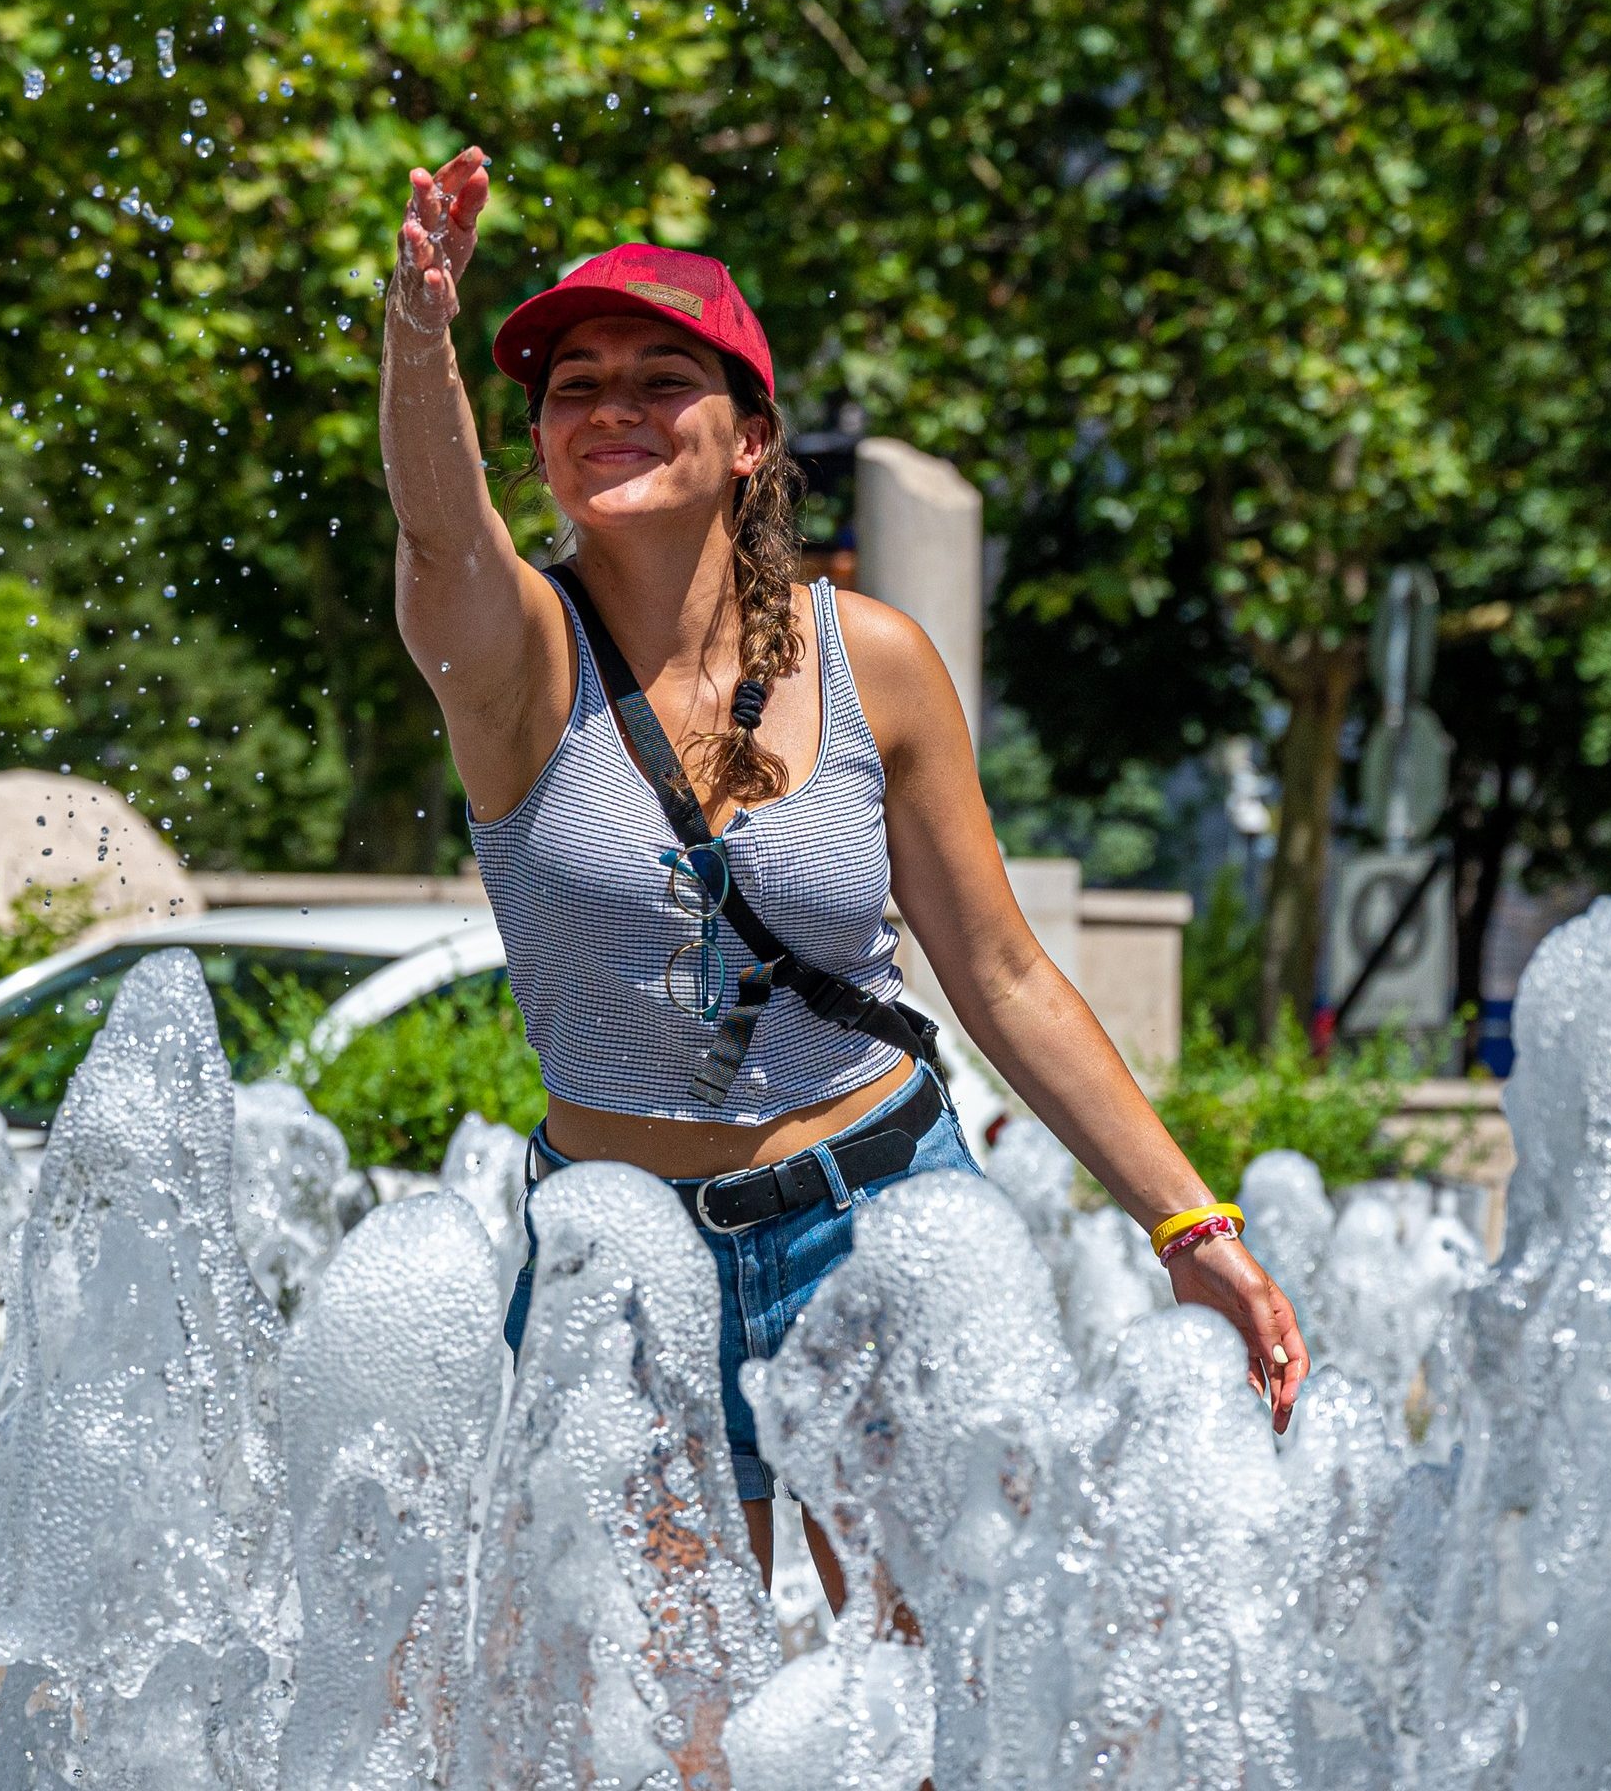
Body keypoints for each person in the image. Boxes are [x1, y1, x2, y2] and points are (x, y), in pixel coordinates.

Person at [378, 147, 1310, 1597]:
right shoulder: (516, 664)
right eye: (574, 386)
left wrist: (1191, 1226)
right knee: (657, 1742)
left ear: (749, 438)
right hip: (622, 1265)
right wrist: (422, 335)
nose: (610, 407)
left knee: (945, 1699)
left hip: (878, 1222)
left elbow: (1000, 973)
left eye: (656, 379)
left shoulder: (870, 659)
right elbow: (439, 530)